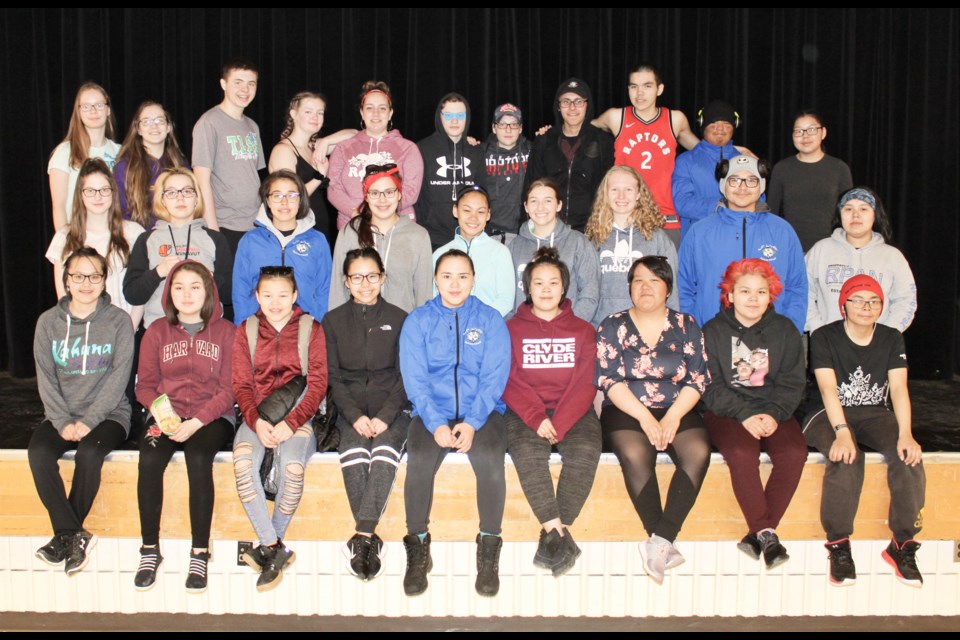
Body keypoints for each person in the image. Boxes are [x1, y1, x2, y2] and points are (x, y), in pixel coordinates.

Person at [399, 250, 511, 597]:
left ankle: (489, 550)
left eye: (463, 276)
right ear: (436, 279)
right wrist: (435, 424)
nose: (455, 284)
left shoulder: (491, 320)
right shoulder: (417, 321)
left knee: (492, 464)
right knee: (417, 464)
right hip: (433, 413)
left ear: (474, 279)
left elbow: (495, 376)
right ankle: (418, 550)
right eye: (447, 276)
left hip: (483, 413)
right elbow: (415, 378)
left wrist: (474, 422)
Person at [804, 275, 925, 588]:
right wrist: (841, 431)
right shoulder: (824, 336)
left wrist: (906, 433)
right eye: (857, 299)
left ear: (881, 307)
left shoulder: (890, 337)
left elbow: (898, 389)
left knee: (907, 455)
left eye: (873, 301)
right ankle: (839, 545)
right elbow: (828, 388)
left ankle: (902, 546)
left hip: (873, 412)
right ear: (843, 304)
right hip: (825, 412)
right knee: (847, 456)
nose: (865, 307)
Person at [596, 256, 710, 585]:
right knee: (635, 452)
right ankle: (661, 537)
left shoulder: (687, 325)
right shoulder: (612, 325)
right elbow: (609, 381)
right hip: (627, 408)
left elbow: (698, 380)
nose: (646, 287)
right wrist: (646, 419)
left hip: (679, 406)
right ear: (629, 286)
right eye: (638, 280)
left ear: (668, 288)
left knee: (698, 451)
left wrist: (672, 417)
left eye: (654, 281)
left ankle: (659, 540)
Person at [30, 247, 134, 575]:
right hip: (61, 413)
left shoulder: (119, 321)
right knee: (39, 453)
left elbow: (118, 378)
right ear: (66, 281)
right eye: (78, 276)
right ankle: (72, 534)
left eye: (94, 276)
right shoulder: (47, 322)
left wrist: (89, 421)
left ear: (105, 282)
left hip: (110, 414)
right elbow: (45, 378)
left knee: (89, 454)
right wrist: (62, 421)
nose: (86, 283)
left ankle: (64, 537)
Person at [133, 261, 235, 593]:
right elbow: (144, 387)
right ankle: (150, 549)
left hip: (212, 418)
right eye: (179, 287)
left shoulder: (226, 332)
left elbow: (229, 390)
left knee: (198, 458)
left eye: (195, 286)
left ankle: (200, 552)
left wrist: (196, 422)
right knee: (148, 459)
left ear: (208, 291)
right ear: (168, 292)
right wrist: (164, 416)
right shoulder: (155, 332)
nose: (187, 294)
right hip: (166, 416)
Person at [702, 259, 808, 569]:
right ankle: (766, 531)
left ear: (771, 295)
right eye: (745, 291)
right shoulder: (712, 331)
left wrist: (774, 414)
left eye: (761, 291)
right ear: (730, 295)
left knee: (793, 452)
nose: (753, 298)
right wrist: (744, 414)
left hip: (775, 410)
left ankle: (759, 533)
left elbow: (793, 383)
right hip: (728, 412)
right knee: (739, 451)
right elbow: (710, 385)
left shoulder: (785, 330)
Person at [503, 247, 601, 577]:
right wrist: (536, 417)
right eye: (539, 283)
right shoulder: (510, 329)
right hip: (525, 410)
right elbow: (508, 378)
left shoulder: (584, 330)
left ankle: (554, 536)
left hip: (572, 411)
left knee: (586, 452)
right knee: (528, 455)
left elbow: (586, 382)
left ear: (564, 287)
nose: (546, 289)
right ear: (527, 288)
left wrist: (558, 421)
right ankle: (560, 538)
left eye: (553, 283)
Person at [232, 266, 327, 592]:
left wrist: (291, 423)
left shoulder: (311, 329)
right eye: (267, 295)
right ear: (257, 296)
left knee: (292, 467)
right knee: (244, 463)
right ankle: (273, 547)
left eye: (283, 295)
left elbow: (317, 385)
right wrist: (256, 421)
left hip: (298, 417)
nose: (275, 302)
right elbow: (241, 384)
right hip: (254, 416)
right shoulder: (245, 330)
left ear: (295, 296)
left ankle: (268, 548)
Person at [322, 248, 410, 582]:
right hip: (351, 411)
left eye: (372, 276)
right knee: (355, 456)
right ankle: (368, 538)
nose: (365, 283)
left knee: (385, 453)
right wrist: (355, 415)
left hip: (393, 409)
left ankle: (362, 537)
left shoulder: (401, 318)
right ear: (346, 281)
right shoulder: (332, 321)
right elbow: (333, 377)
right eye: (356, 277)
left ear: (383, 278)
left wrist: (387, 415)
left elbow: (406, 377)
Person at [678, 155, 807, 333]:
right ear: (723, 185)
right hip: (712, 336)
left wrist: (790, 332)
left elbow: (797, 286)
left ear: (761, 186)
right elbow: (683, 287)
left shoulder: (782, 231)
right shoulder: (699, 232)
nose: (743, 187)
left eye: (751, 180)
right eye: (735, 180)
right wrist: (692, 333)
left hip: (771, 336)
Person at [593, 64, 699, 242]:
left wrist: (732, 151)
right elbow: (578, 132)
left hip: (665, 217)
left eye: (647, 86)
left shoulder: (674, 119)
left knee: (666, 270)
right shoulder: (616, 117)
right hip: (624, 215)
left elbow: (702, 151)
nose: (639, 93)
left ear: (660, 89)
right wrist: (551, 133)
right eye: (634, 86)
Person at [123, 167, 233, 329]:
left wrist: (209, 278)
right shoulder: (146, 240)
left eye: (187, 191)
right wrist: (158, 272)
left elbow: (230, 295)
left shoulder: (215, 239)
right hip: (160, 331)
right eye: (172, 193)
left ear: (196, 198)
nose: (180, 198)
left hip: (207, 330)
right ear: (162, 200)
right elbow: (132, 295)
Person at [46, 158, 144, 328]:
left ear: (113, 193)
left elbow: (141, 290)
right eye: (90, 190)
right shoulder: (64, 237)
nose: (98, 196)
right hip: (80, 333)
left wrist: (130, 329)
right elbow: (63, 295)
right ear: (80, 194)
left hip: (123, 330)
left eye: (104, 190)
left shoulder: (134, 233)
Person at [805, 187, 916, 334]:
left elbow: (906, 300)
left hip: (877, 347)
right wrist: (818, 330)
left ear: (875, 215)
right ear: (840, 214)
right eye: (848, 209)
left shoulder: (892, 257)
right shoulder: (820, 250)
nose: (855, 215)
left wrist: (886, 335)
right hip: (828, 345)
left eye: (863, 209)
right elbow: (802, 293)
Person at [329, 164, 433, 312]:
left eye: (389, 192)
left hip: (404, 328)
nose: (382, 200)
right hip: (358, 327)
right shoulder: (350, 232)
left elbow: (424, 293)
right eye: (375, 193)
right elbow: (338, 289)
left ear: (399, 194)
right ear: (366, 196)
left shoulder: (418, 235)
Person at [232, 170, 332, 324]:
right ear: (268, 201)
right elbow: (241, 290)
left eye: (292, 195)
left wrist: (319, 326)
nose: (284, 202)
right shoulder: (250, 241)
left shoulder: (317, 240)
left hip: (305, 326)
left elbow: (324, 289)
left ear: (300, 200)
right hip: (260, 328)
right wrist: (243, 329)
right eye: (277, 195)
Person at [584, 165, 678, 325]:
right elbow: (585, 290)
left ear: (639, 194)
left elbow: (672, 290)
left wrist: (672, 327)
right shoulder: (592, 239)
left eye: (628, 189)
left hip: (646, 327)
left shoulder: (657, 239)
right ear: (605, 194)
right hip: (602, 326)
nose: (621, 196)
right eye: (614, 190)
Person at [327, 81, 423, 230]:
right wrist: (358, 213)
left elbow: (411, 191)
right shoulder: (342, 148)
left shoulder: (408, 148)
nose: (376, 114)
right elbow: (333, 188)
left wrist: (382, 211)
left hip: (398, 226)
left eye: (382, 108)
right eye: (370, 108)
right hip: (353, 224)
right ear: (362, 112)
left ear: (390, 113)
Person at [192, 58, 265, 253]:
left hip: (253, 224)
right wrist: (212, 228)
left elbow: (253, 176)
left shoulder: (252, 126)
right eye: (238, 82)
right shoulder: (208, 123)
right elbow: (201, 180)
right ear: (224, 84)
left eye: (251, 83)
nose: (245, 89)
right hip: (225, 225)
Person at [525, 78, 614, 232]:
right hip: (551, 228)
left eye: (578, 101)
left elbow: (609, 187)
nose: (572, 107)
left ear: (587, 105)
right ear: (558, 106)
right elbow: (530, 186)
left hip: (591, 229)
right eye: (566, 101)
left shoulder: (604, 142)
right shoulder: (543, 142)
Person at [509, 177, 600, 322]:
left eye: (548, 200)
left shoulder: (578, 242)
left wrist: (568, 327)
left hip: (566, 332)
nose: (540, 207)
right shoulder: (515, 246)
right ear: (526, 207)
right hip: (526, 334)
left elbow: (590, 294)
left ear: (559, 205)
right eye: (534, 201)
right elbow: (509, 296)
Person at [268, 91, 357, 238]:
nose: (315, 117)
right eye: (308, 112)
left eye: (320, 113)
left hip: (318, 228)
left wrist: (326, 141)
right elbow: (289, 198)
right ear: (294, 114)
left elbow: (354, 134)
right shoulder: (283, 151)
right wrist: (318, 177)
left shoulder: (315, 147)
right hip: (297, 231)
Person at [767, 111, 853, 252]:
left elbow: (847, 211)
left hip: (831, 249)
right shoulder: (782, 168)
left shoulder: (839, 168)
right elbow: (772, 214)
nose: (805, 136)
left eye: (811, 129)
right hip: (791, 248)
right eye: (799, 131)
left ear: (823, 133)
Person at [672, 100, 748, 245]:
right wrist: (720, 206)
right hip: (699, 240)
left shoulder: (746, 161)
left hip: (738, 239)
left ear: (735, 125)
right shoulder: (686, 161)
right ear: (702, 125)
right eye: (713, 123)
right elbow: (682, 203)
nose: (720, 128)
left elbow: (759, 201)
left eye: (726, 123)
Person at [432, 185, 515, 317]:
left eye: (480, 212)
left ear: (488, 215)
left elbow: (505, 300)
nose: (473, 218)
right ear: (455, 211)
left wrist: (479, 323)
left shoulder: (500, 252)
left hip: (488, 329)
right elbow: (434, 297)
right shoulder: (439, 254)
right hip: (448, 329)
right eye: (467, 210)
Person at [416, 92, 485, 249]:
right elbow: (417, 196)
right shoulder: (423, 149)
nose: (455, 120)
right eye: (448, 115)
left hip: (468, 236)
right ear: (440, 117)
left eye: (460, 115)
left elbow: (482, 192)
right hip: (431, 237)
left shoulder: (476, 151)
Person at [48, 82, 120, 230]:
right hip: (78, 236)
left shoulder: (120, 152)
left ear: (107, 110)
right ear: (78, 112)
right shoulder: (64, 152)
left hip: (113, 235)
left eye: (99, 105)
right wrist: (66, 244)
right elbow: (59, 205)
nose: (93, 111)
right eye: (86, 106)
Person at [114, 101, 189, 228]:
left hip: (176, 236)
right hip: (139, 239)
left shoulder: (181, 163)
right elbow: (120, 212)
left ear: (168, 127)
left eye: (159, 120)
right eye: (147, 122)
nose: (154, 126)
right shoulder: (124, 167)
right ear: (138, 129)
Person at [480, 103, 530, 238]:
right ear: (494, 128)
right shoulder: (480, 153)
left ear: (520, 128)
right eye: (502, 124)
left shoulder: (533, 151)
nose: (508, 130)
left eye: (513, 124)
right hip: (489, 232)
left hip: (524, 232)